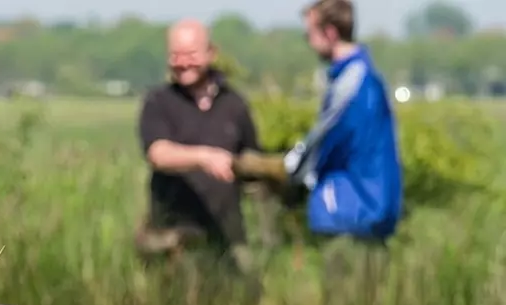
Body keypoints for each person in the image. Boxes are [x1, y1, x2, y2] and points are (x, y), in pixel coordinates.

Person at [284, 0, 402, 284]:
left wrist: (294, 167)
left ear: (330, 33)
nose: (309, 43)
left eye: (309, 34)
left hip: (350, 209)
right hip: (369, 208)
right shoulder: (363, 76)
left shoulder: (352, 82)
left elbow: (326, 140)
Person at [136, 18, 264, 274]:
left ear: (211, 53)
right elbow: (158, 154)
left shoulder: (235, 104)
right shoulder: (158, 102)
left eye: (191, 54)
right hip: (171, 239)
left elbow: (251, 159)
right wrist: (204, 157)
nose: (183, 63)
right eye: (176, 55)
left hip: (227, 236)